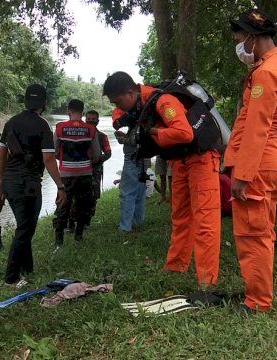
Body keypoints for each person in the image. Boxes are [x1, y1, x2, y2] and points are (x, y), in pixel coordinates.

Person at [103, 71, 221, 287]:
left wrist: (154, 133)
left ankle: (207, 280)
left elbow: (185, 133)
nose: (119, 108)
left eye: (119, 102)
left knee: (205, 221)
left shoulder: (164, 101)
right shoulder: (142, 105)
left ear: (130, 93)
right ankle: (176, 265)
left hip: (201, 161)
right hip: (181, 162)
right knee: (180, 216)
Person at [227, 9, 277, 312]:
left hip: (258, 161)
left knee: (252, 233)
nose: (239, 45)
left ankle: (257, 301)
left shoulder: (267, 74)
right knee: (263, 231)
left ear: (254, 38)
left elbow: (257, 128)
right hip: (269, 158)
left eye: (240, 38)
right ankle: (257, 291)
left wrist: (242, 174)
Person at [0, 84, 66, 287]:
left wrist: (1, 179)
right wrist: (60, 186)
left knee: (23, 225)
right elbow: (49, 158)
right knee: (25, 229)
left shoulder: (11, 122)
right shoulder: (43, 125)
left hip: (9, 181)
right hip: (28, 183)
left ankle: (28, 268)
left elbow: (1, 153)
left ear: (25, 101)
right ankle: (11, 278)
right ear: (43, 103)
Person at [53, 99, 101, 247]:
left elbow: (54, 151)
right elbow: (97, 154)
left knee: (63, 206)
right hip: (85, 173)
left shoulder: (60, 128)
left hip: (66, 173)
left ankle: (58, 242)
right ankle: (78, 236)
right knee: (82, 205)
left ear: (69, 110)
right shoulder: (91, 130)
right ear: (82, 111)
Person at [112, 127, 150, 232]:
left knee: (127, 194)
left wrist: (125, 140)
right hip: (143, 162)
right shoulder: (144, 122)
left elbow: (140, 140)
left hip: (134, 162)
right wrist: (126, 136)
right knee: (139, 193)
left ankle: (125, 226)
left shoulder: (139, 122)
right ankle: (137, 221)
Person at [85, 110, 111, 224]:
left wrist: (99, 158)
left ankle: (87, 220)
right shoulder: (80, 134)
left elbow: (108, 153)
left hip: (96, 170)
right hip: (81, 169)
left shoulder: (102, 136)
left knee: (93, 196)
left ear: (98, 121)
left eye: (93, 119)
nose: (91, 121)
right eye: (89, 119)